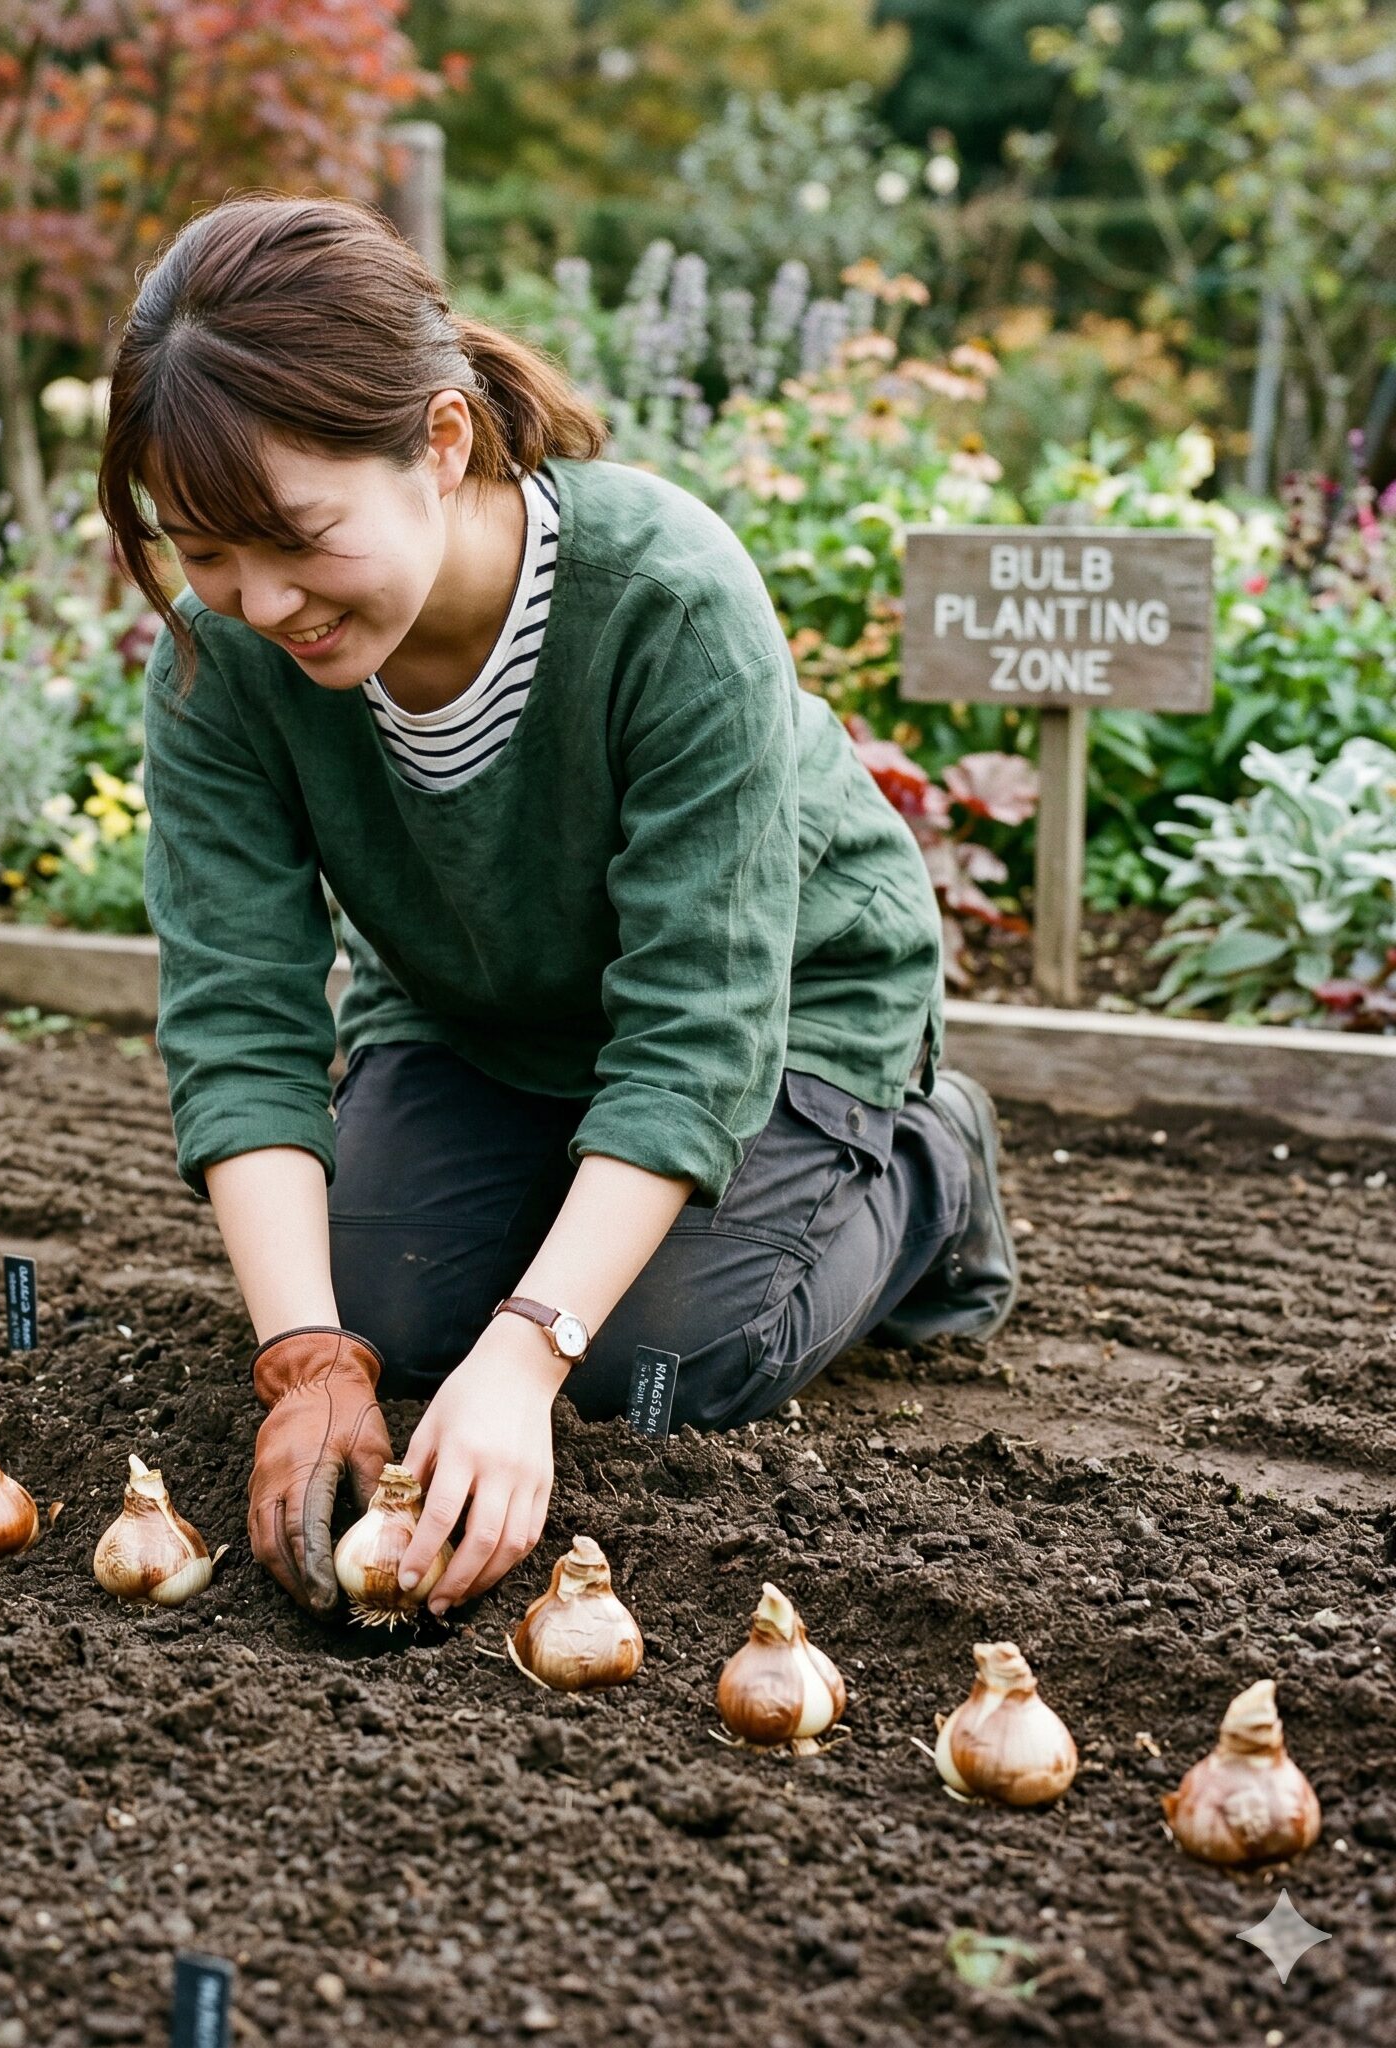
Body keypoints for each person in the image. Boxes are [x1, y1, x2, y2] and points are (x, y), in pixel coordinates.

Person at [97, 194, 1019, 1625]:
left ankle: (931, 1168)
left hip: (787, 1011)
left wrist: (531, 1350)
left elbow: (698, 1025)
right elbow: (240, 1018)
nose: (259, 600)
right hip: (483, 1015)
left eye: (292, 536)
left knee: (656, 1374)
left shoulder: (663, 596)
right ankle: (571, 1217)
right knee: (386, 1329)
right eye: (203, 552)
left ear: (442, 441)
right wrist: (307, 1360)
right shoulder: (221, 666)